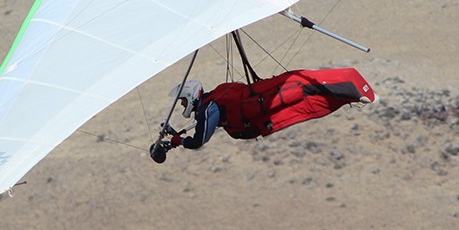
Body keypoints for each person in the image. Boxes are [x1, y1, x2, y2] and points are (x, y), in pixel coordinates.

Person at [150, 68, 376, 163]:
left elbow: (199, 140)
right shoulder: (211, 103)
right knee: (309, 106)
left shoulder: (208, 107)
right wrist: (175, 138)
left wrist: (179, 141)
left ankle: (350, 87)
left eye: (182, 101)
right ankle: (349, 94)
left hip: (262, 104)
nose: (182, 106)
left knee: (301, 89)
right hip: (263, 111)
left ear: (190, 95)